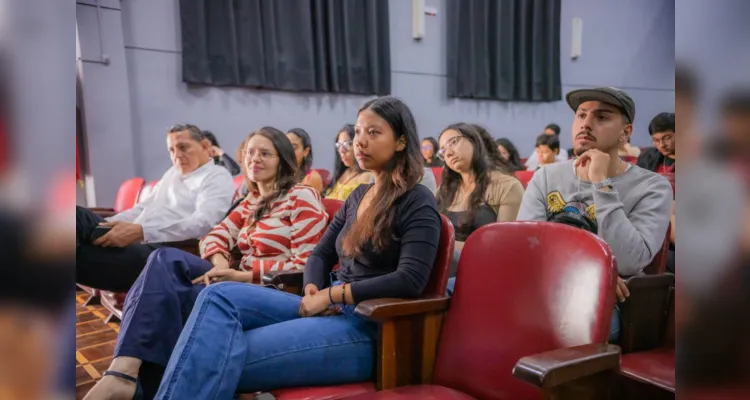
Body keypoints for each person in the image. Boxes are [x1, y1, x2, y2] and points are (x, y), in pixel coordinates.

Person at [151, 96, 441, 398]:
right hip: (332, 307)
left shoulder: (416, 200)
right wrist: (314, 288)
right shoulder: (358, 196)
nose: (360, 142)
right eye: (357, 132)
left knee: (215, 352)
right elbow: (320, 253)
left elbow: (410, 279)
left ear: (400, 142)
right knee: (216, 295)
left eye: (373, 133)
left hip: (368, 325)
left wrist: (331, 294)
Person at [82, 127, 328, 400]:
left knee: (176, 297)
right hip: (236, 279)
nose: (254, 159)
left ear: (282, 159)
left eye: (265, 153)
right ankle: (124, 372)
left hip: (273, 290)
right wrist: (220, 265)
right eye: (250, 153)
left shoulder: (302, 197)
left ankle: (134, 384)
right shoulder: (253, 201)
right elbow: (214, 235)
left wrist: (241, 276)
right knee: (162, 259)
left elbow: (305, 264)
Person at [516, 87, 672, 341]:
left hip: (608, 303)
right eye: (581, 115)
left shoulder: (653, 186)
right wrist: (597, 271)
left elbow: (630, 261)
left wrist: (601, 183)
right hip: (544, 284)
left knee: (553, 322)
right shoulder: (547, 176)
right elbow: (526, 246)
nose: (586, 124)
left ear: (626, 133)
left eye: (601, 117)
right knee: (466, 292)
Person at [76, 124, 235, 292]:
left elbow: (203, 223)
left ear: (205, 146)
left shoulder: (217, 176)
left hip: (162, 251)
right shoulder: (172, 173)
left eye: (183, 147)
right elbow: (142, 208)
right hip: (135, 240)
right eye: (171, 150)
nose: (177, 156)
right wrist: (103, 225)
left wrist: (142, 231)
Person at [437, 123, 524, 294]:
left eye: (453, 142)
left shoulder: (507, 186)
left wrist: (445, 247)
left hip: (484, 271)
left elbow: (505, 248)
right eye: (442, 150)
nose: (448, 152)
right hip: (443, 267)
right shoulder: (444, 190)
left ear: (475, 141)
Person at [324, 124, 373, 201]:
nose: (342, 150)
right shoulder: (342, 173)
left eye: (347, 144)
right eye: (339, 146)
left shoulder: (368, 176)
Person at [286, 128, 324, 193]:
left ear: (305, 151)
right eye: (285, 147)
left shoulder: (311, 176)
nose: (288, 151)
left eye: (293, 148)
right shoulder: (277, 174)